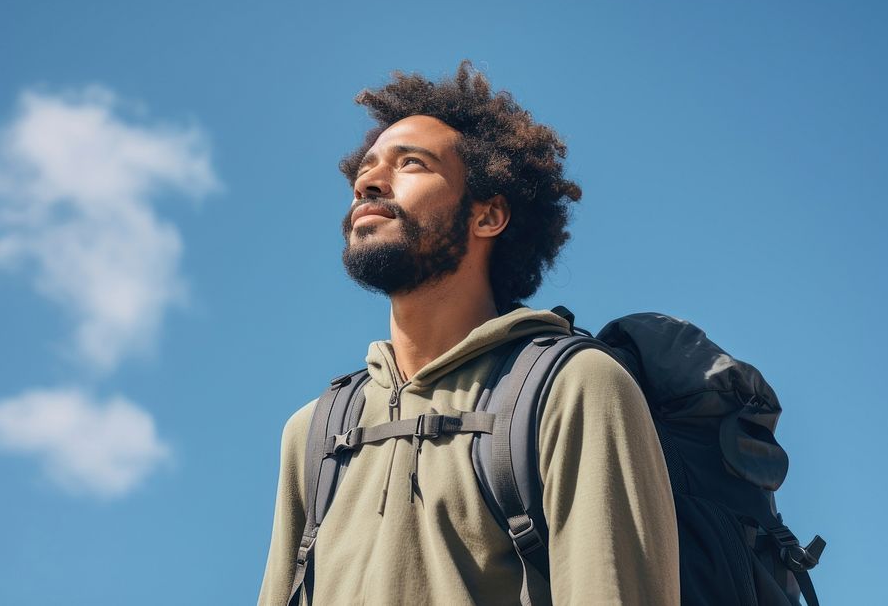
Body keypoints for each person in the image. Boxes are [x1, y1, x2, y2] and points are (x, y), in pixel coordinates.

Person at [257, 62, 680, 605]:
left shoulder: (575, 387)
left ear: (488, 216)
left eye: (411, 162)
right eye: (365, 171)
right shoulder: (313, 434)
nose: (368, 182)